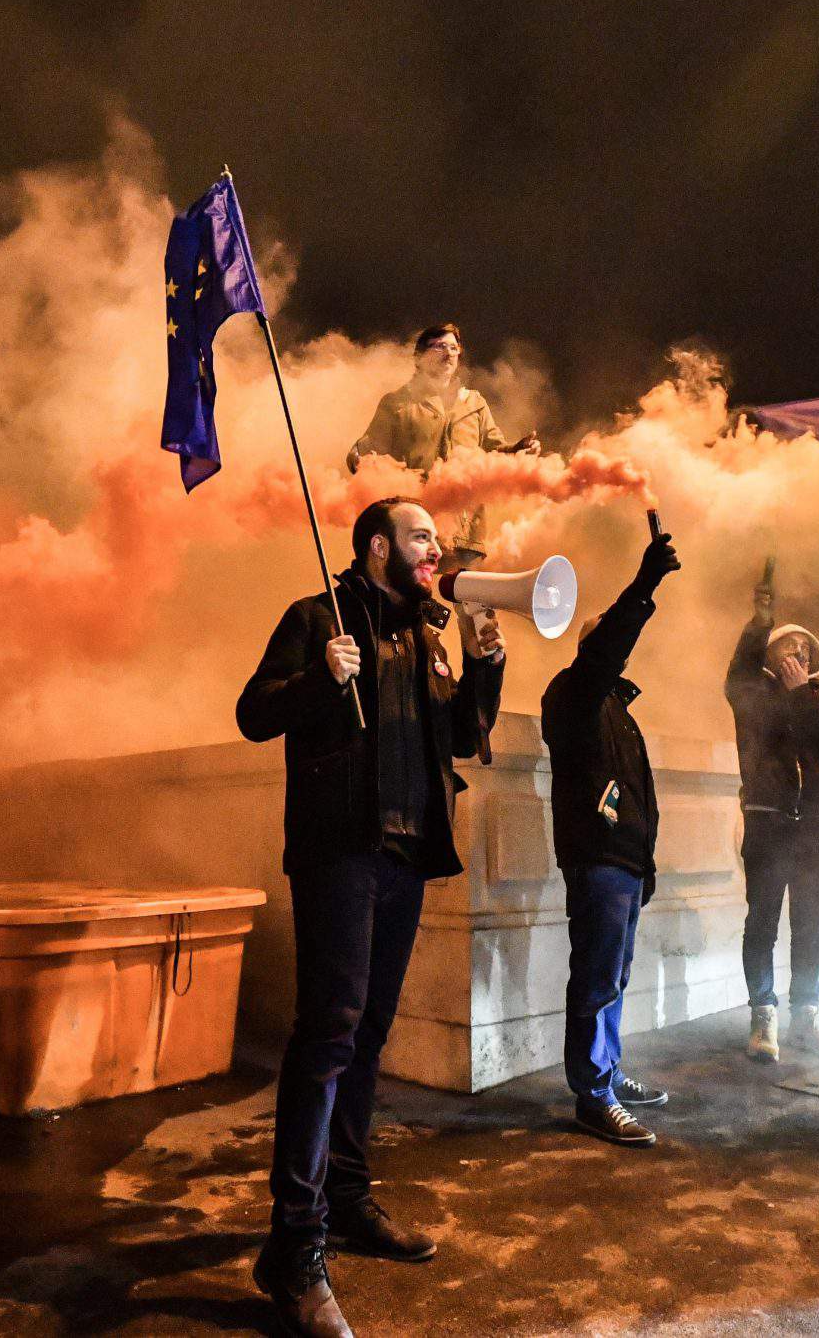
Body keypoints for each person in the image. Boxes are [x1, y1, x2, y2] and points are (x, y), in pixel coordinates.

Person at [237, 497, 504, 1338]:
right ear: (380, 544)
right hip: (338, 853)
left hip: (403, 855)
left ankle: (346, 1198)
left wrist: (483, 662)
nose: (438, 549)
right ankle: (294, 1243)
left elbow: (462, 737)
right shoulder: (317, 616)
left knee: (369, 1033)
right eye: (424, 535)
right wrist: (323, 678)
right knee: (327, 1035)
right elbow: (253, 711)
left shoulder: (429, 632)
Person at [540, 528, 680, 1147]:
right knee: (598, 977)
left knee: (612, 976)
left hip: (622, 863)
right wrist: (644, 586)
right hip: (597, 860)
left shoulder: (618, 712)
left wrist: (645, 866)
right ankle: (592, 1095)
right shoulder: (572, 693)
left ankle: (607, 1074)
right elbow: (604, 656)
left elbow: (642, 797)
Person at [725, 562, 819, 1065]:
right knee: (762, 920)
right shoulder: (749, 691)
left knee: (810, 924)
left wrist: (804, 695)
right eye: (786, 646)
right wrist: (759, 623)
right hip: (767, 819)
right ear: (768, 655)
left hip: (816, 825)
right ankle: (763, 1014)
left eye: (803, 649)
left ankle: (807, 1016)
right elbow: (738, 668)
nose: (797, 652)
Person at [344, 323, 538, 568]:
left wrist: (516, 451)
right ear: (419, 357)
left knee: (470, 599)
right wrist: (359, 459)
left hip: (466, 532)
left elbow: (493, 449)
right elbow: (367, 451)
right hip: (414, 527)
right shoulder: (397, 404)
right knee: (415, 594)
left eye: (454, 348)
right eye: (438, 347)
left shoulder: (474, 403)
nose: (448, 354)